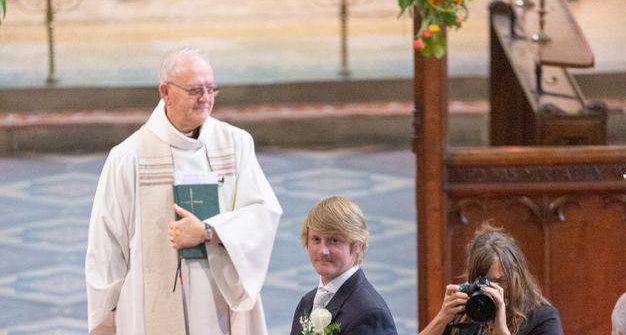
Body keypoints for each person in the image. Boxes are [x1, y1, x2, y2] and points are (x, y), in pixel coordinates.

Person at [85, 47, 282, 335]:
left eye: (210, 88)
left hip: (218, 301)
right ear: (165, 92)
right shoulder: (129, 157)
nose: (206, 98)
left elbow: (262, 213)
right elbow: (106, 242)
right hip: (148, 302)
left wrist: (208, 231)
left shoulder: (236, 144)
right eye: (194, 90)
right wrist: (105, 317)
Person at [420, 222, 563, 335]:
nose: (493, 290)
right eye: (485, 282)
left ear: (517, 275)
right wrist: (442, 318)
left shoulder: (543, 318)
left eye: (501, 281)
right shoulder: (468, 310)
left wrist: (502, 331)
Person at [290, 196, 398, 335]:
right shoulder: (306, 303)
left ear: (359, 245)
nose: (323, 251)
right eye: (316, 239)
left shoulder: (369, 313)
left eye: (334, 240)